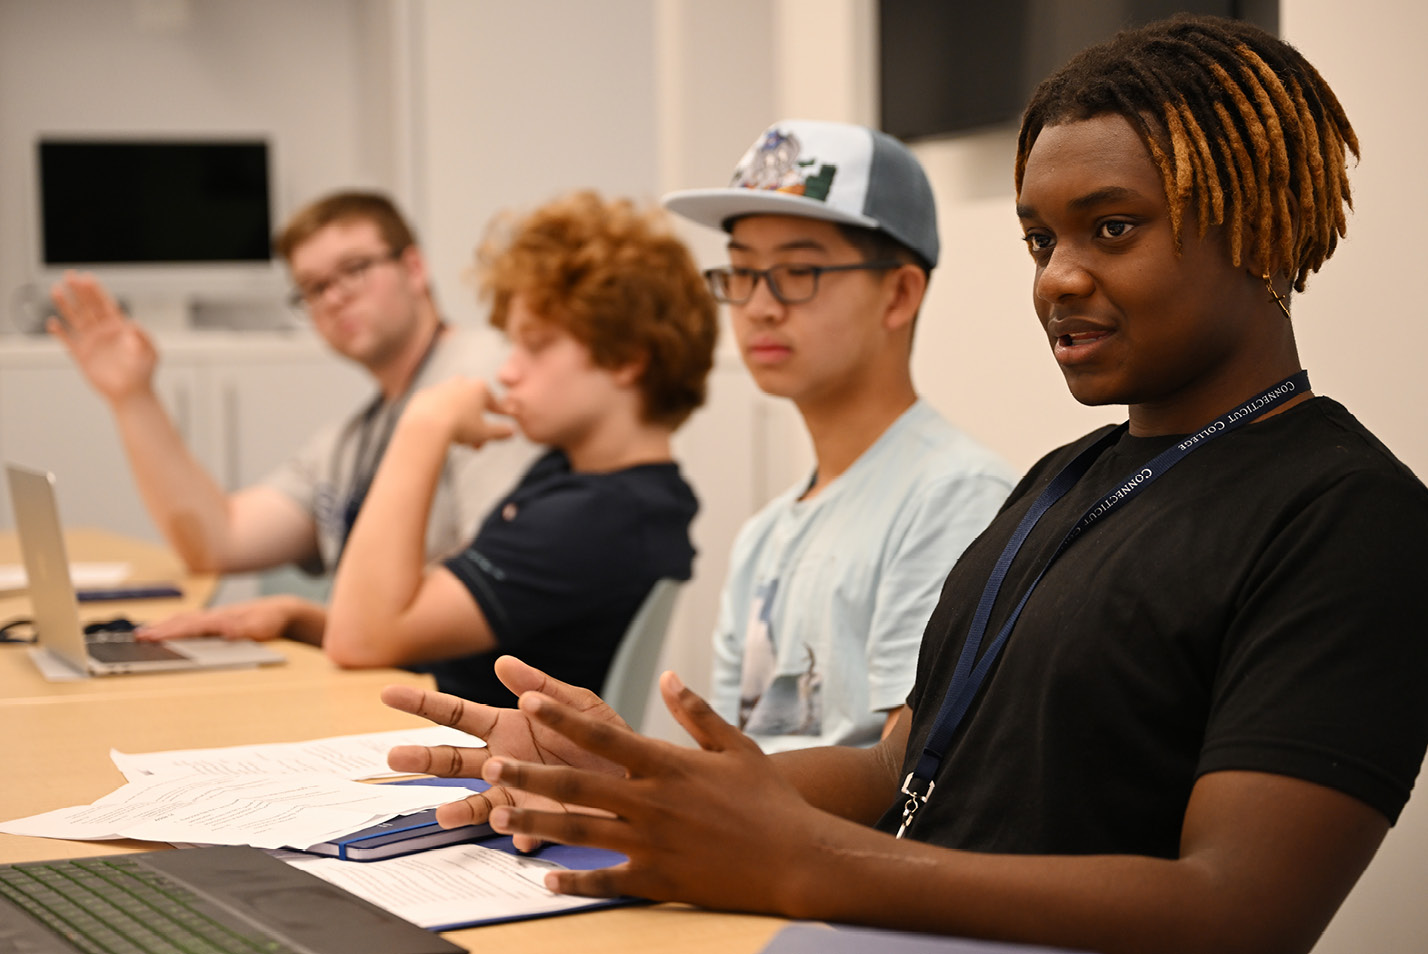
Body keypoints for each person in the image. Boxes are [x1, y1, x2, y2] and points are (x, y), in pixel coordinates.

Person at [377, 15, 1428, 954]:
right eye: (1039, 238)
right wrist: (619, 781)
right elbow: (904, 770)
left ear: (1261, 226)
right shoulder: (1068, 480)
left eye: (1112, 228)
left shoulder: (1350, 518)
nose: (1057, 276)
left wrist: (803, 864)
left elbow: (1238, 913)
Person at [663, 119, 1015, 751]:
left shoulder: (956, 496)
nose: (760, 306)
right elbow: (722, 753)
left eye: (797, 271)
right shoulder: (763, 536)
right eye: (741, 272)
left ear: (899, 294)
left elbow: (908, 771)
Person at [49, 191, 533, 645]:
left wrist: (310, 620)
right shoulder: (350, 439)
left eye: (355, 269)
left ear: (414, 267)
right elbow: (218, 541)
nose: (334, 296)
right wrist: (133, 398)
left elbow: (494, 580)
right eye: (313, 287)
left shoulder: (485, 377)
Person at [321, 190, 717, 704]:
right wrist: (301, 620)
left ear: (625, 358)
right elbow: (421, 615)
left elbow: (361, 639)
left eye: (536, 345)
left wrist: (426, 420)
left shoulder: (599, 518)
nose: (507, 371)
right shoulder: (584, 481)